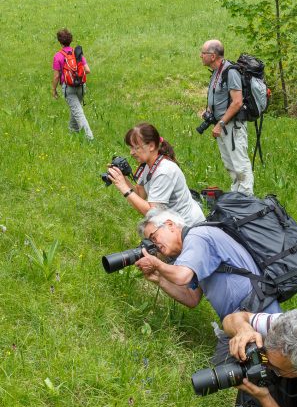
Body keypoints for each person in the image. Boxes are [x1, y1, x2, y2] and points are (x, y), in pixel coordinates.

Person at [134, 208, 281, 320]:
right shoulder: (190, 251)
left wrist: (157, 264)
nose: (155, 245)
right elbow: (192, 298)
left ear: (170, 225)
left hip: (258, 309)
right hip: (242, 317)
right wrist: (160, 280)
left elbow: (181, 277)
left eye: (154, 237)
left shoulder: (196, 237)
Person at [107, 123, 205, 226]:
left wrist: (123, 187)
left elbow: (153, 214)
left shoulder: (164, 171)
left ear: (151, 146)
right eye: (130, 148)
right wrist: (121, 178)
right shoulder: (148, 164)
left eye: (136, 148)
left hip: (189, 227)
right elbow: (140, 194)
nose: (131, 152)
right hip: (172, 223)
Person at [200, 39, 253, 196]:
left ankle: (246, 200)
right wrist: (209, 111)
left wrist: (221, 123)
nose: (200, 56)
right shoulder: (217, 72)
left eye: (203, 53)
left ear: (213, 55)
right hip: (222, 125)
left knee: (240, 164)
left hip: (232, 126)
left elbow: (237, 102)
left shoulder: (231, 72)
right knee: (230, 164)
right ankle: (236, 196)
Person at [52, 28, 93, 140]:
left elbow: (56, 76)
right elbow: (88, 70)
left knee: (78, 113)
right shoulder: (77, 52)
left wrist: (54, 90)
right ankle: (72, 133)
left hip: (68, 88)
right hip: (81, 86)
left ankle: (90, 138)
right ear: (71, 40)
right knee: (75, 109)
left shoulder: (58, 56)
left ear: (60, 41)